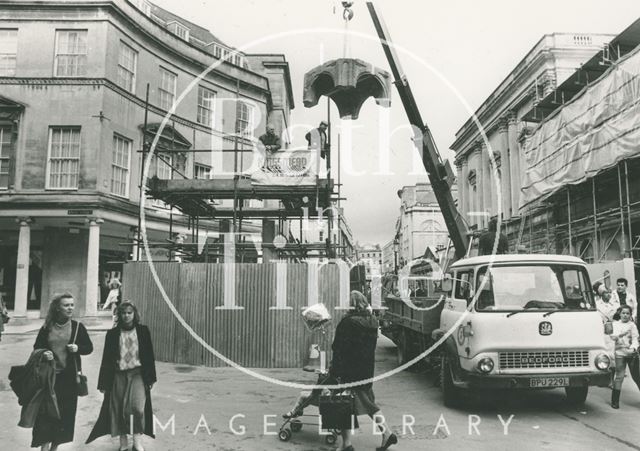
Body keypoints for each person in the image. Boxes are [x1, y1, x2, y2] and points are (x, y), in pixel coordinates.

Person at [329, 290, 397, 451]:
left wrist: (335, 370)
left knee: (343, 405)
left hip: (349, 371)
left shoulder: (347, 322)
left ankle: (347, 444)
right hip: (366, 370)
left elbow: (338, 348)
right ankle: (386, 434)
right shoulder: (373, 321)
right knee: (368, 403)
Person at [87, 301, 157, 451]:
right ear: (119, 315)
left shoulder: (143, 331)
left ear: (134, 314)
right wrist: (104, 383)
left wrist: (150, 378)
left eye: (129, 313)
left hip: (138, 374)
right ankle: (123, 442)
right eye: (123, 313)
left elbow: (149, 356)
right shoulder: (112, 334)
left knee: (137, 408)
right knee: (118, 408)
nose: (126, 316)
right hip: (118, 375)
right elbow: (106, 360)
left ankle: (137, 441)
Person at [32, 293, 93, 450]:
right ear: (57, 308)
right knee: (45, 414)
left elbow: (89, 348)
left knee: (64, 415)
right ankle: (44, 447)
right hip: (50, 378)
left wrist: (78, 348)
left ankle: (55, 447)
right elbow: (36, 348)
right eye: (66, 305)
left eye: (72, 305)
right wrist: (44, 353)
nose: (70, 308)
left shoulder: (78, 327)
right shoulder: (47, 327)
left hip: (68, 379)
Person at [609, 305, 639, 408]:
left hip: (631, 354)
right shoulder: (615, 324)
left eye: (627, 313)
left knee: (637, 376)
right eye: (623, 313)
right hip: (620, 353)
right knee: (619, 376)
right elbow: (613, 337)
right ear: (620, 314)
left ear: (630, 315)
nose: (625, 315)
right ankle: (615, 401)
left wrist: (633, 348)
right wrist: (620, 336)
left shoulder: (632, 325)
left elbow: (635, 338)